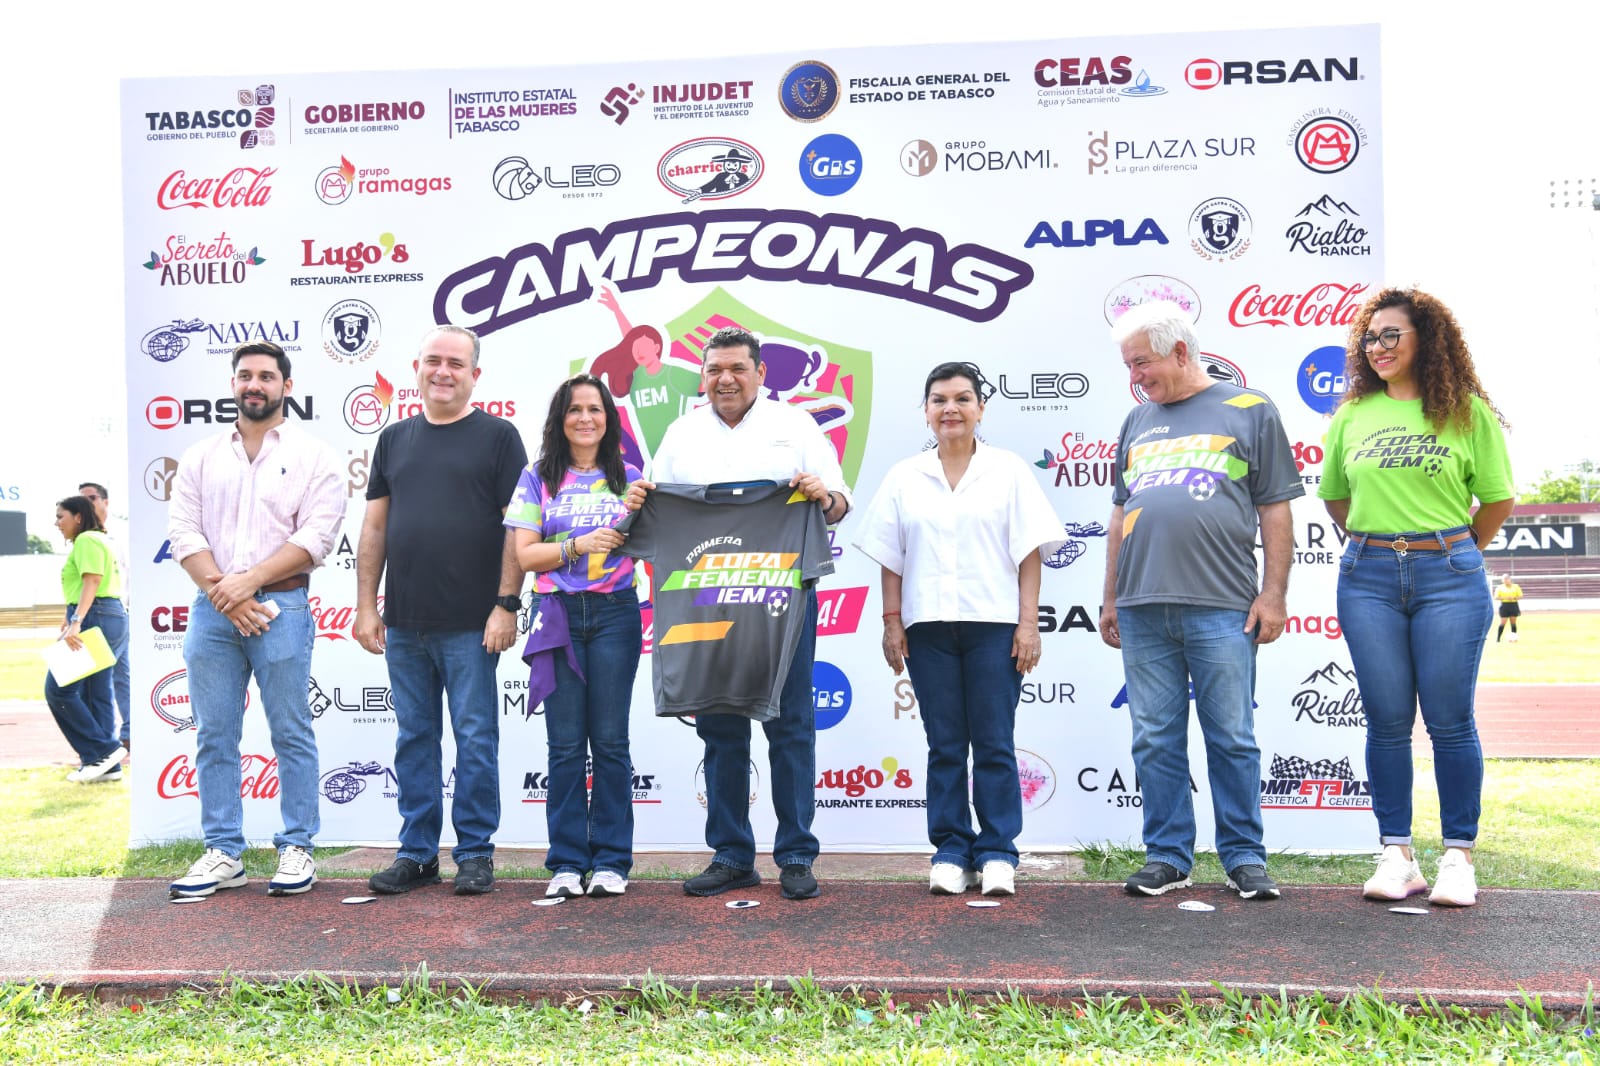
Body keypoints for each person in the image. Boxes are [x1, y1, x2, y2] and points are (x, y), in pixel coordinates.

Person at [624, 325, 850, 900]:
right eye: (715, 370)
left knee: (790, 725)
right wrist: (637, 500)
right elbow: (654, 511)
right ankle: (731, 855)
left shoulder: (796, 425)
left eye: (737, 368)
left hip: (782, 598)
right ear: (703, 376)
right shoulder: (681, 433)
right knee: (720, 727)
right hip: (705, 600)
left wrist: (823, 496)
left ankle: (795, 854)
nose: (725, 379)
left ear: (760, 373)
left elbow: (838, 505)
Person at [1099, 301, 1302, 901]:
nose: (1135, 377)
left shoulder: (1251, 408)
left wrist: (1274, 594)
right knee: (1153, 738)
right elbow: (1119, 516)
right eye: (1129, 366)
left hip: (1223, 605)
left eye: (1142, 362)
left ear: (1181, 351)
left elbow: (1276, 509)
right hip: (1141, 607)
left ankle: (1244, 857)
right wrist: (1110, 598)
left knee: (1231, 736)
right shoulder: (1137, 421)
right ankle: (1167, 855)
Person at [1319, 287, 1514, 908]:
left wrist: (1455, 549)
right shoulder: (1352, 415)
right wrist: (1379, 542)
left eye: (1391, 335)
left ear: (1425, 339)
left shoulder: (1466, 412)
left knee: (1450, 720)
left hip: (1449, 573)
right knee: (1386, 721)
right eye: (1369, 338)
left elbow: (1498, 498)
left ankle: (1458, 857)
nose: (1377, 347)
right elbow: (1336, 496)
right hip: (1368, 575)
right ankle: (1397, 856)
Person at [854, 362, 1064, 897]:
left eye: (962, 399)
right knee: (944, 744)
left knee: (993, 743)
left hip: (994, 627)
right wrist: (891, 622)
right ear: (925, 411)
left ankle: (997, 852)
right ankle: (950, 850)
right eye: (940, 400)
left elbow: (1030, 552)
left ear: (980, 409)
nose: (951, 409)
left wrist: (1029, 624)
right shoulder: (905, 476)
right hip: (927, 629)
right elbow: (891, 556)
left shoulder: (1008, 470)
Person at [165, 340, 345, 899]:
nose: (254, 385)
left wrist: (247, 584)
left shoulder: (316, 456)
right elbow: (184, 532)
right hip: (213, 610)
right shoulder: (200, 456)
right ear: (233, 384)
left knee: (290, 730)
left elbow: (317, 536)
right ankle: (223, 851)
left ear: (286, 387)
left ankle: (297, 846)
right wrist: (227, 593)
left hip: (281, 608)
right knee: (214, 734)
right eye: (245, 375)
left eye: (267, 376)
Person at [355, 325, 528, 897]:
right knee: (414, 738)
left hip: (473, 624)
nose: (443, 372)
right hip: (404, 623)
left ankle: (475, 853)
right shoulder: (393, 439)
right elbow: (375, 527)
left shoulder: (499, 437)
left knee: (475, 739)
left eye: (456, 363)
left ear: (475, 375)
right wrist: (366, 605)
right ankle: (417, 854)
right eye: (433, 360)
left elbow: (518, 528)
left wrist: (506, 604)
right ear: (417, 368)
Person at [506, 374, 643, 899]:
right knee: (564, 745)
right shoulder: (537, 476)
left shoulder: (630, 478)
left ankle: (611, 862)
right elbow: (526, 555)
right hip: (557, 614)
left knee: (610, 742)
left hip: (615, 615)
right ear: (559, 419)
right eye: (574, 409)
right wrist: (579, 545)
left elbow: (648, 544)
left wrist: (641, 517)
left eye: (595, 409)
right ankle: (566, 863)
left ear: (609, 419)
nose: (585, 418)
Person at [44, 495, 128, 784]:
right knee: (96, 693)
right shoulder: (100, 539)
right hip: (107, 614)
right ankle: (107, 768)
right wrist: (70, 617)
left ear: (78, 517)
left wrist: (76, 621)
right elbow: (87, 584)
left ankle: (102, 752)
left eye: (61, 516)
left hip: (95, 616)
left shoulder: (86, 540)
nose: (56, 523)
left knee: (59, 691)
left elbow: (92, 580)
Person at [77, 482, 131, 750]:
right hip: (97, 613)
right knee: (112, 675)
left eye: (92, 497)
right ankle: (116, 734)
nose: (87, 503)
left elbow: (128, 572)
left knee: (105, 676)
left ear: (105, 501)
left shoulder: (120, 534)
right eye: (81, 499)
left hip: (115, 610)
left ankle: (109, 739)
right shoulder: (85, 535)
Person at [1494, 573, 1523, 643]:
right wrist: (1506, 598)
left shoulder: (1516, 586)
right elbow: (1496, 597)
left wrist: (1514, 597)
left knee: (1513, 622)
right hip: (1504, 605)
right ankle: (1498, 639)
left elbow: (1521, 596)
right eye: (1504, 579)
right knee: (1503, 622)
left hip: (1513, 605)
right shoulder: (1500, 587)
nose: (1506, 580)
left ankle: (1514, 638)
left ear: (1510, 579)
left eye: (1507, 579)